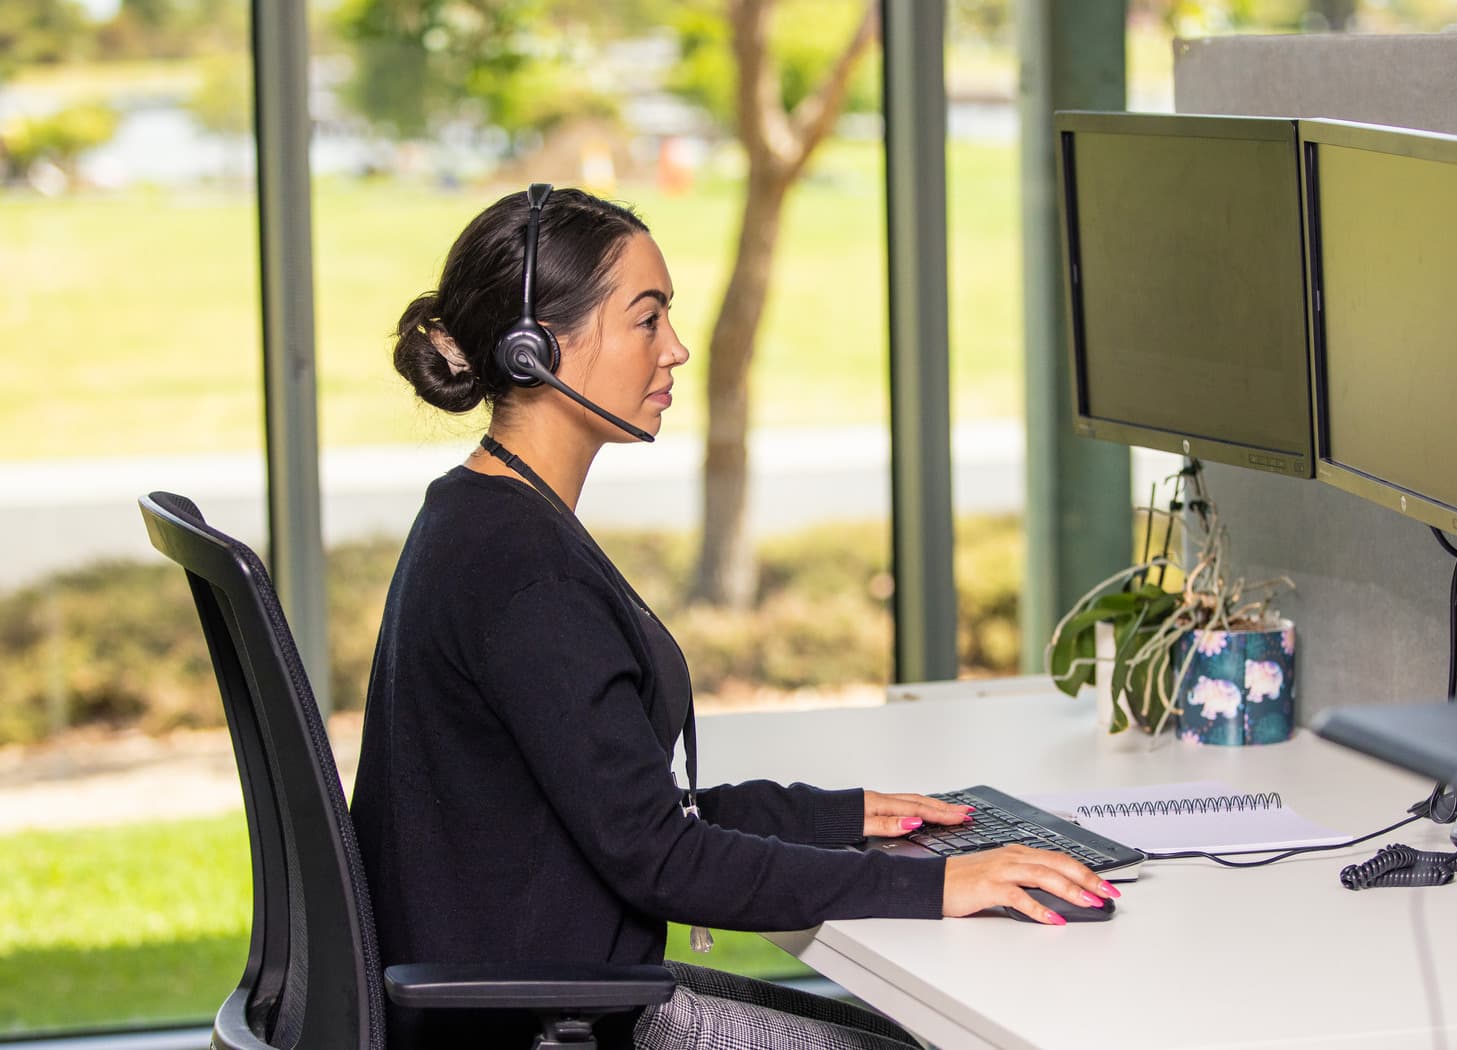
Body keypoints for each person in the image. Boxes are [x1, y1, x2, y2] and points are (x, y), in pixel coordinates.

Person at [350, 185, 1120, 1050]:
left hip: (540, 989)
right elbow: (662, 860)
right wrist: (942, 886)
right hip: (549, 1018)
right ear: (539, 349)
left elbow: (619, 809)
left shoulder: (474, 516)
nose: (676, 348)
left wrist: (840, 817)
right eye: (648, 319)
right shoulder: (527, 576)